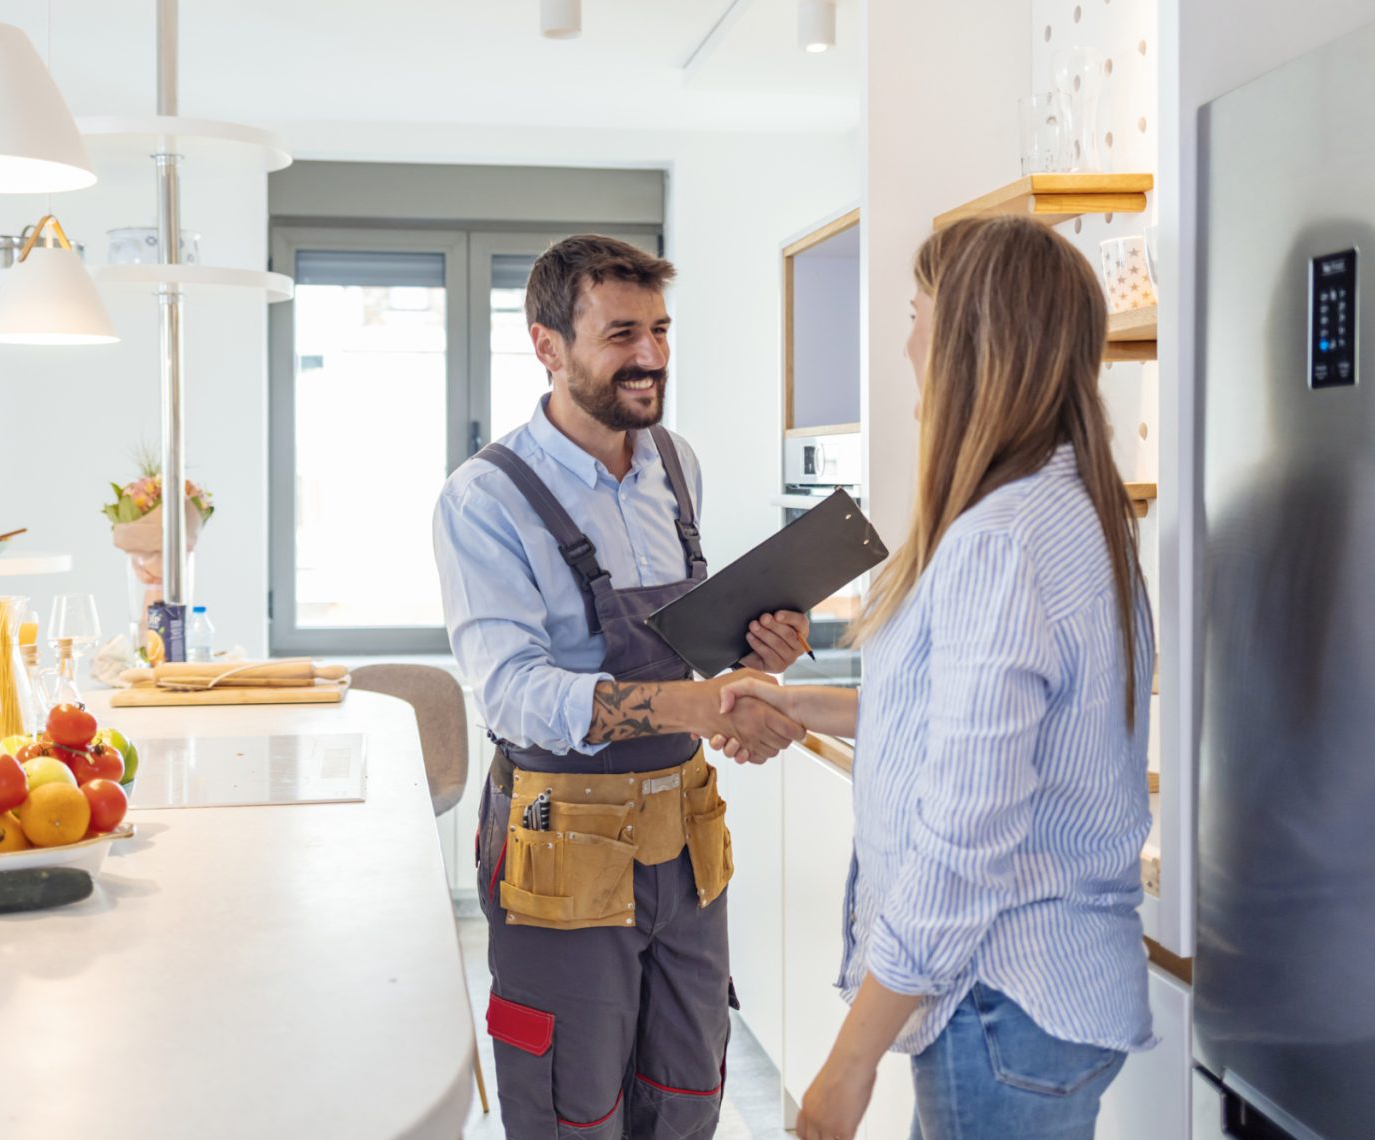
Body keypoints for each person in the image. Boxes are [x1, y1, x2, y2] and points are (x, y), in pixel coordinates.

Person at [713, 215, 1157, 1140]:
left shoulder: (999, 541)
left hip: (997, 999)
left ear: (967, 341)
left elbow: (965, 833)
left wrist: (850, 1058)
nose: (906, 341)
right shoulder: (1069, 510)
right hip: (1043, 1003)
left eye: (917, 313)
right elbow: (946, 725)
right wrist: (795, 703)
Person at [433, 233, 810, 1138]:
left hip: (685, 841)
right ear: (547, 346)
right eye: (621, 335)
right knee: (574, 1108)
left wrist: (758, 654)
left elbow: (686, 648)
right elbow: (514, 693)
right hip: (563, 847)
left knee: (686, 1093)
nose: (650, 357)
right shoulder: (484, 500)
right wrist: (698, 701)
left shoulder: (675, 464)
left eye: (661, 331)